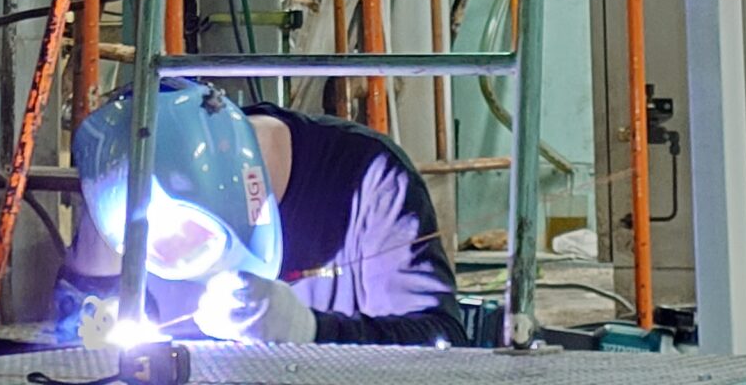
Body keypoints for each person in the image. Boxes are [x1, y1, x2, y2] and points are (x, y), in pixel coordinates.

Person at [54, 78, 473, 347]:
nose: (181, 256)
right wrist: (93, 282)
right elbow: (75, 332)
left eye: (188, 237)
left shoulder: (368, 176)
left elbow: (443, 342)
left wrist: (309, 331)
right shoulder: (124, 216)